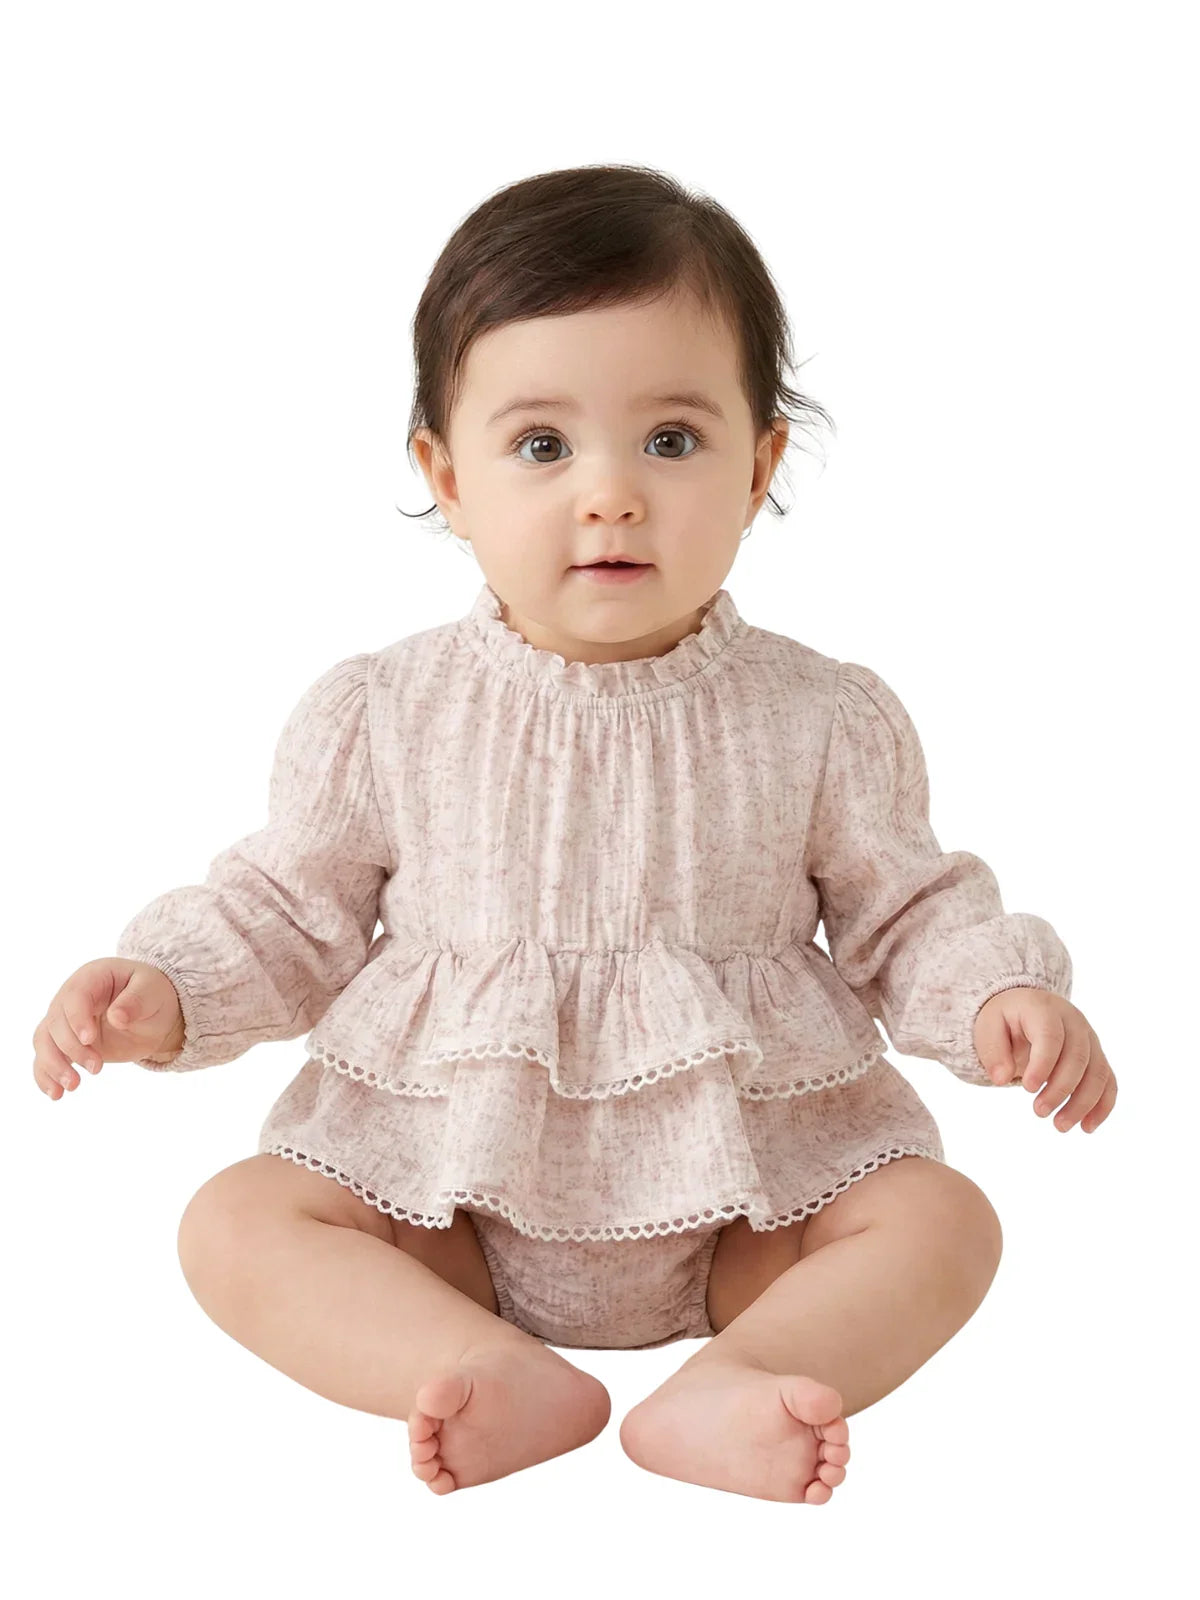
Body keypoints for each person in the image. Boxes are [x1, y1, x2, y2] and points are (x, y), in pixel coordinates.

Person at [31, 163, 1117, 1505]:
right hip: (447, 1202)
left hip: (752, 1204)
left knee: (942, 1222)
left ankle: (734, 1381)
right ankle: (467, 1362)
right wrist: (168, 992)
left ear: (762, 462)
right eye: (543, 447)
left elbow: (907, 912)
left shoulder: (820, 716)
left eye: (671, 440)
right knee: (235, 1223)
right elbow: (288, 910)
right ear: (448, 475)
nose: (611, 494)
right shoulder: (386, 711)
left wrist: (999, 991)